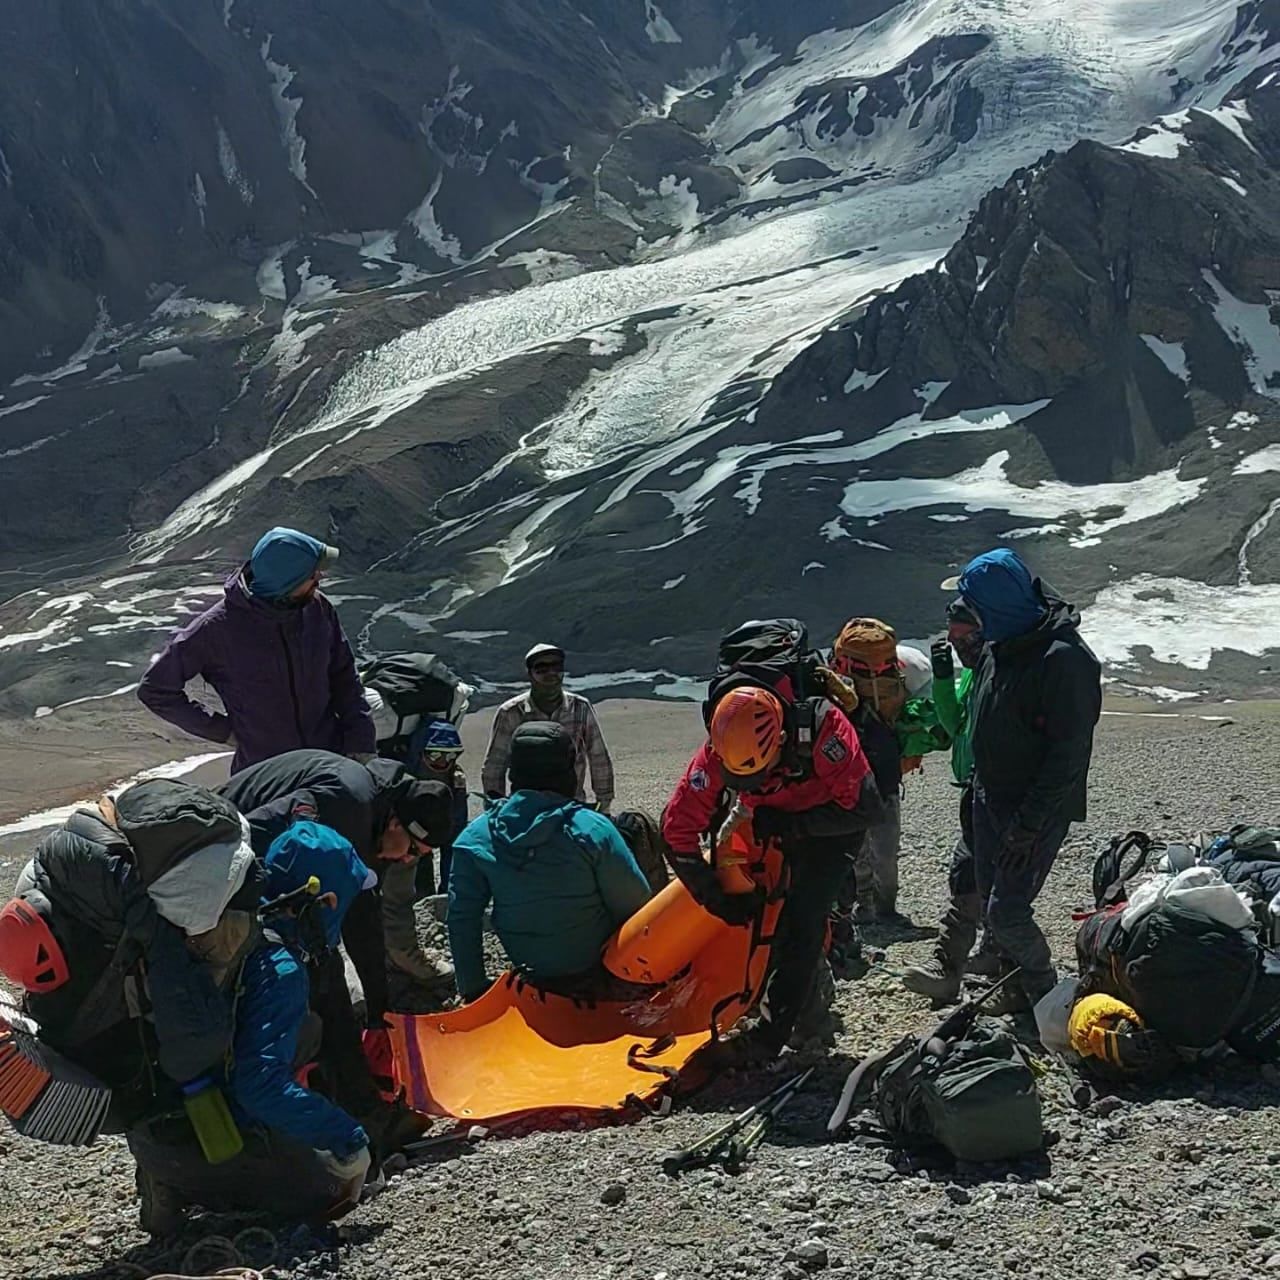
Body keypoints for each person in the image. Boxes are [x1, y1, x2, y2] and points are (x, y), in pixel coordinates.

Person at [129, 822, 376, 1234]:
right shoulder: (280, 967)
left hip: (151, 1134)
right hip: (214, 1143)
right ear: (329, 900)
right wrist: (348, 1137)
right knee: (327, 1194)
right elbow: (258, 1084)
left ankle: (165, 1182)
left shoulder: (218, 931)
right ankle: (223, 1182)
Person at [219, 749, 455, 1144]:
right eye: (413, 851)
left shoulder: (371, 815)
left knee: (322, 977)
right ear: (398, 822)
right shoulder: (351, 803)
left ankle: (337, 1098)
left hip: (249, 875)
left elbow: (363, 918)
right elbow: (248, 830)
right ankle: (358, 1113)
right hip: (230, 872)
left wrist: (381, 1013)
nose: (406, 861)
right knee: (310, 979)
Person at [662, 667, 882, 1060]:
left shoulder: (825, 729)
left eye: (759, 774)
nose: (751, 782)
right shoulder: (721, 747)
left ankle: (772, 1036)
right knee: (766, 913)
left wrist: (795, 825)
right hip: (767, 819)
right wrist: (713, 897)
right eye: (741, 778)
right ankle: (794, 1008)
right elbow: (677, 831)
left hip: (830, 824)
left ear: (781, 740)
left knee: (803, 920)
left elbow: (865, 809)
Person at [3, 780, 259, 1113]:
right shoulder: (46, 867)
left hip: (221, 854)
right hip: (181, 811)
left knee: (214, 945)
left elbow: (192, 1027)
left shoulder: (153, 906)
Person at [943, 548, 1102, 1013]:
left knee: (1007, 911)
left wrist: (1029, 824)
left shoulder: (1065, 661)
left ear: (994, 606)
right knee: (989, 894)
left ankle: (1045, 994)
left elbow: (1068, 755)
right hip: (990, 794)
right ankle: (1010, 987)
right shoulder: (1002, 641)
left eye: (974, 605)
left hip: (1033, 808)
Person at [137, 527, 376, 773]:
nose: (319, 579)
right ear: (286, 581)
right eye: (312, 575)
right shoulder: (216, 629)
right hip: (264, 775)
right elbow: (155, 689)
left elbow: (344, 676)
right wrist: (224, 731)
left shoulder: (317, 608)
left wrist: (361, 742)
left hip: (329, 761)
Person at [449, 724, 652, 1001]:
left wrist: (474, 990)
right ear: (569, 772)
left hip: (533, 976)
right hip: (599, 970)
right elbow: (636, 905)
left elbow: (463, 918)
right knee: (639, 828)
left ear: (513, 774)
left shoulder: (475, 838)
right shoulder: (592, 829)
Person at [900, 600, 997, 1001]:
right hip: (976, 788)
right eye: (952, 637)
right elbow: (952, 720)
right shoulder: (975, 674)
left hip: (996, 790)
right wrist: (943, 676)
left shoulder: (999, 673)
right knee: (979, 874)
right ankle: (988, 955)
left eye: (962, 636)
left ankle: (955, 965)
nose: (956, 643)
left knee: (974, 873)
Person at [830, 618, 950, 922]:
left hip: (848, 773)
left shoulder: (839, 688)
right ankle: (885, 909)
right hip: (885, 772)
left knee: (855, 844)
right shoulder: (901, 679)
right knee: (886, 847)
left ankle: (860, 905)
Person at [481, 643, 614, 811]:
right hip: (524, 809)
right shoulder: (511, 712)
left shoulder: (580, 707)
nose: (551, 673)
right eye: (542, 668)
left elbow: (598, 757)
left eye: (556, 667)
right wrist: (495, 808)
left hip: (571, 806)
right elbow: (495, 764)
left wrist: (604, 804)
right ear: (530, 674)